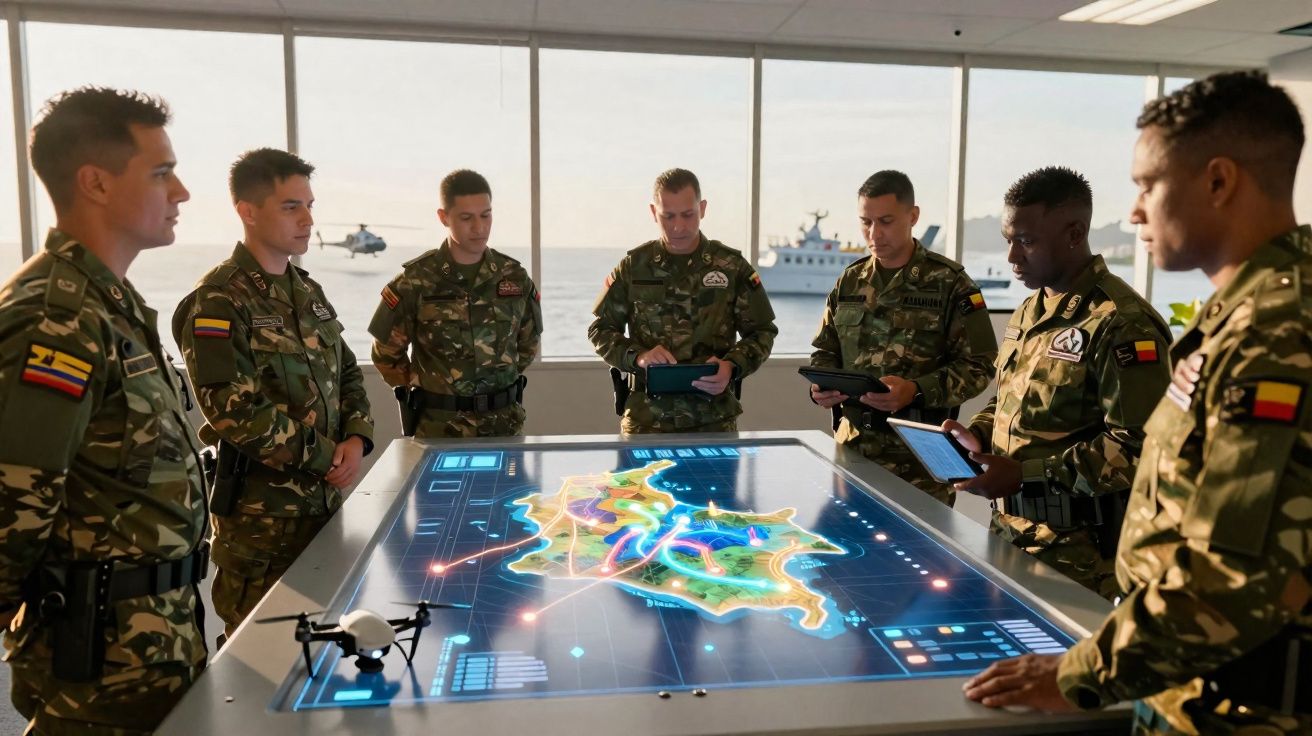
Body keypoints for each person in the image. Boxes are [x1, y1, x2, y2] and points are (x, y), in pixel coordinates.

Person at [964, 70, 1312, 736]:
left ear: (1218, 181)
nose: (1132, 213)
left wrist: (1078, 675)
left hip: (1240, 708)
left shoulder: (1278, 331)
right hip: (1180, 682)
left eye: (1147, 185)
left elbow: (1231, 569)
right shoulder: (1241, 316)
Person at [0, 87, 208, 734]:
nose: (181, 191)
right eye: (160, 172)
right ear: (95, 182)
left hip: (157, 646)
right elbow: (10, 517)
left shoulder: (112, 307)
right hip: (97, 674)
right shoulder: (54, 320)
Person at [943, 166, 1171, 600]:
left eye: (1026, 242)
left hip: (1080, 556)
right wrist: (978, 432)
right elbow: (1011, 400)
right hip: (1008, 534)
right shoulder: (1030, 310)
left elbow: (1140, 446)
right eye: (1009, 240)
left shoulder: (1122, 323)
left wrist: (1025, 476)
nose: (1012, 257)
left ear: (1074, 234)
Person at [173, 148, 373, 640]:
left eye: (309, 205)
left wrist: (357, 438)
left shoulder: (307, 291)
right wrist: (328, 454)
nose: (307, 219)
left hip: (324, 508)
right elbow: (234, 412)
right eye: (291, 206)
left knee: (326, 641)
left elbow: (347, 370)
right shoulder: (218, 301)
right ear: (248, 210)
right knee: (259, 653)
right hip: (262, 522)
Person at [810, 170, 996, 506]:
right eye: (865, 222)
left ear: (913, 216)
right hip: (852, 452)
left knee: (921, 558)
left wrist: (916, 390)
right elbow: (825, 350)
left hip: (920, 462)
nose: (873, 233)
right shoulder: (850, 281)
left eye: (885, 221)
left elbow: (980, 366)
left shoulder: (951, 284)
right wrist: (821, 387)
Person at [589, 168, 777, 434]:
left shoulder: (731, 267)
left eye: (688, 215)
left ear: (702, 208)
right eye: (668, 216)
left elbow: (762, 331)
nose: (679, 226)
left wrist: (732, 366)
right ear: (654, 213)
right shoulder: (634, 267)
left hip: (714, 421)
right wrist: (638, 357)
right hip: (646, 420)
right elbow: (600, 330)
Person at [369, 169, 541, 438]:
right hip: (440, 429)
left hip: (504, 426)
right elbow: (386, 355)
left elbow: (528, 345)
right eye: (466, 218)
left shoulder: (514, 277)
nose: (479, 227)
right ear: (443, 217)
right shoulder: (415, 282)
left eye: (486, 215)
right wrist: (430, 387)